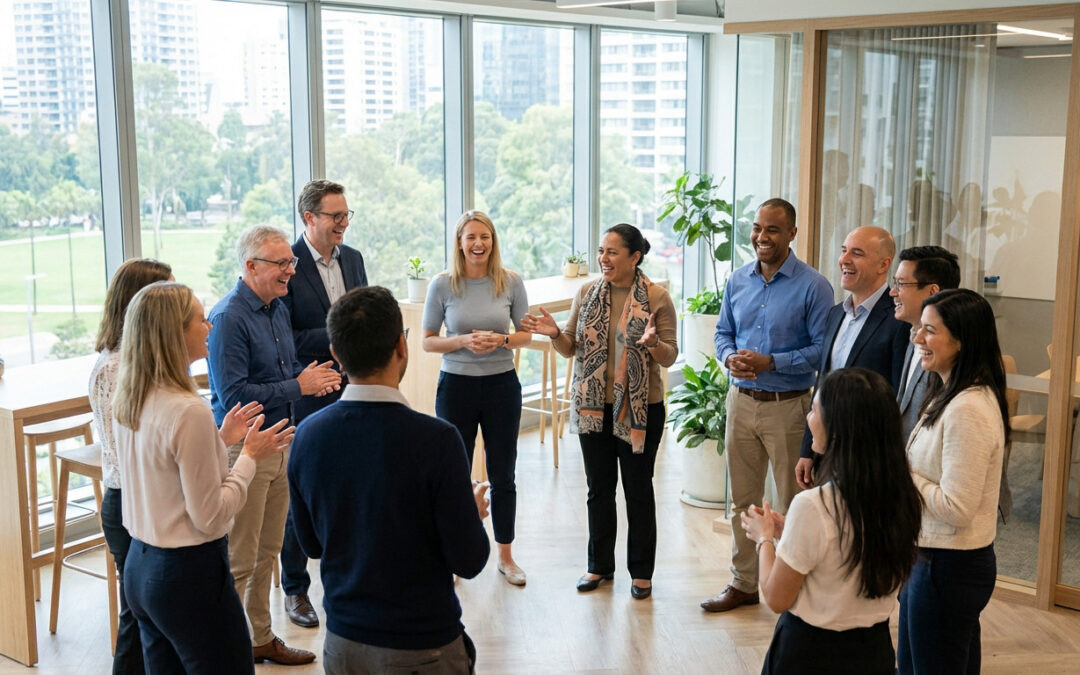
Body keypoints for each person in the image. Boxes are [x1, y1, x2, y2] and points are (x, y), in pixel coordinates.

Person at [289, 286, 491, 674]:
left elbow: (312, 544)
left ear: (335, 353)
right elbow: (469, 561)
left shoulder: (308, 435)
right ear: (402, 346)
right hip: (422, 645)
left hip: (344, 643)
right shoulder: (438, 440)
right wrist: (472, 514)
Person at [112, 281, 293, 673]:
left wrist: (218, 439)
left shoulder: (132, 395)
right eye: (198, 319)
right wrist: (248, 457)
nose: (209, 325)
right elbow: (210, 516)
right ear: (175, 333)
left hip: (140, 567)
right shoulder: (187, 410)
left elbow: (164, 470)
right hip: (187, 575)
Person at [207, 225, 341, 666]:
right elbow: (234, 398)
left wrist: (314, 379)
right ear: (250, 266)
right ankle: (227, 650)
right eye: (282, 263)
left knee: (268, 553)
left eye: (291, 262)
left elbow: (285, 371)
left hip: (283, 441)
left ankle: (261, 639)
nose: (291, 271)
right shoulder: (228, 317)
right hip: (245, 451)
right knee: (240, 559)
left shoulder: (275, 307)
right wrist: (298, 385)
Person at [521, 223, 677, 599]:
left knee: (638, 490)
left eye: (612, 252)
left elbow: (670, 355)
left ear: (635, 257)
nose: (603, 259)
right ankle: (598, 566)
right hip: (593, 409)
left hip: (641, 410)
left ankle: (641, 572)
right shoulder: (588, 292)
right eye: (600, 251)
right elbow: (570, 346)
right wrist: (555, 333)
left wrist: (654, 344)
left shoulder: (656, 298)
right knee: (599, 489)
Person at [742, 368, 922, 673]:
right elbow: (849, 554)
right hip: (873, 651)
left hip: (811, 654)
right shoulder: (903, 498)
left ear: (838, 429)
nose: (809, 419)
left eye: (814, 410)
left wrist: (765, 539)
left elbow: (775, 598)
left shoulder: (814, 506)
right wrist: (792, 532)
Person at [701, 198, 834, 613]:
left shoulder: (814, 286)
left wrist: (771, 362)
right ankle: (744, 583)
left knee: (796, 502)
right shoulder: (738, 279)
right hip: (740, 402)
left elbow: (820, 351)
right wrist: (729, 358)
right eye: (758, 228)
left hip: (788, 407)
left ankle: (795, 589)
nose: (761, 237)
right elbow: (723, 331)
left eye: (773, 229)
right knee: (744, 500)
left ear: (792, 233)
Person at [897, 288, 1010, 674]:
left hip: (949, 565)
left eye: (929, 331)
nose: (917, 339)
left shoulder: (968, 408)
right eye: (919, 329)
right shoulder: (948, 392)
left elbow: (957, 508)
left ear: (962, 340)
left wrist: (905, 475)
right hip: (932, 558)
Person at [422, 210, 531, 585]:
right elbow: (427, 340)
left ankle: (506, 555)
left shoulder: (511, 282)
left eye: (484, 236)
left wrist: (501, 340)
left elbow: (525, 335)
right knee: (454, 474)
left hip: (502, 385)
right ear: (459, 242)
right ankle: (454, 559)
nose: (478, 244)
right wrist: (463, 341)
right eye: (470, 237)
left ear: (493, 241)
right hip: (456, 387)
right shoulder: (441, 285)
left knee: (504, 474)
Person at [279, 179, 368, 627]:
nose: (344, 224)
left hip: (354, 389)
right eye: (336, 216)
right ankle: (294, 588)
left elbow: (364, 314)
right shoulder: (287, 266)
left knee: (350, 486)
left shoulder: (353, 259)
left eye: (347, 215)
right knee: (304, 492)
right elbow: (285, 337)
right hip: (310, 394)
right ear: (309, 218)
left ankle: (347, 575)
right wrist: (335, 338)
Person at [89, 258, 173, 675]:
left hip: (140, 500)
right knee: (136, 618)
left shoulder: (139, 362)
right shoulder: (115, 369)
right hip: (127, 503)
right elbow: (129, 454)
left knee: (149, 619)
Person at [794, 226, 909, 489]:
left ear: (884, 265)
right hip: (826, 453)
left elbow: (897, 401)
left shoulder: (898, 321)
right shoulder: (836, 314)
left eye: (856, 253)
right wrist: (808, 449)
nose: (844, 260)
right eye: (844, 251)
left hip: (867, 463)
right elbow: (821, 386)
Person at [890, 246, 961, 440]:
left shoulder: (947, 350)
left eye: (901, 284)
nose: (893, 293)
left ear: (932, 291)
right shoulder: (912, 334)